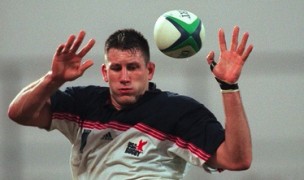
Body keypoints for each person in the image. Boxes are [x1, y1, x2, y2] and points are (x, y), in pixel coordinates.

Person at [8, 26, 253, 179]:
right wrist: (53, 79)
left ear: (150, 70)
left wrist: (229, 86)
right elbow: (19, 113)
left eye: (133, 67)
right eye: (117, 68)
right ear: (105, 73)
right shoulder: (82, 104)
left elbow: (237, 159)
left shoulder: (177, 112)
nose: (125, 77)